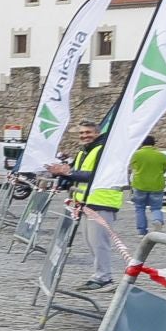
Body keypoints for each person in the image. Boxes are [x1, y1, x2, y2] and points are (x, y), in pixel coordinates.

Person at [45, 119, 122, 293]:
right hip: (85, 202)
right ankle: (100, 275)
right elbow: (76, 174)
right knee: (91, 242)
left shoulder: (103, 150)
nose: (84, 136)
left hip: (102, 201)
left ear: (97, 133)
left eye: (88, 132)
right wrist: (63, 175)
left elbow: (95, 175)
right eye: (81, 133)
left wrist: (68, 172)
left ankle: (104, 278)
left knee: (99, 243)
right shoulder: (83, 152)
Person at [129, 136, 166, 237]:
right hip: (157, 184)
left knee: (140, 208)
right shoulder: (161, 155)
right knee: (156, 207)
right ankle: (157, 220)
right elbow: (164, 169)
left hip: (140, 184)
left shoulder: (136, 154)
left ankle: (142, 231)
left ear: (142, 143)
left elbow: (133, 167)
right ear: (154, 143)